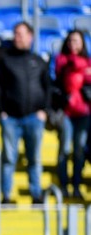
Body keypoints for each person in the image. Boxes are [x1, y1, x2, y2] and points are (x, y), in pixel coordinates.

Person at [0, 21, 50, 204]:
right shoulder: (5, 60)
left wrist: (45, 111)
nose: (18, 37)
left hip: (34, 117)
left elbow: (48, 88)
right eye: (16, 33)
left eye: (22, 34)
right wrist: (1, 112)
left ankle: (36, 193)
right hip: (11, 118)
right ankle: (7, 195)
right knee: (9, 158)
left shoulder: (38, 61)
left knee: (34, 157)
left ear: (30, 37)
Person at [55, 30, 91, 201]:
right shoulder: (61, 62)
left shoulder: (88, 64)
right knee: (65, 148)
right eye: (70, 41)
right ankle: (63, 185)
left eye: (76, 41)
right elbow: (56, 84)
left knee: (79, 150)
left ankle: (76, 184)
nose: (73, 45)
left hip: (84, 113)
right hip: (67, 112)